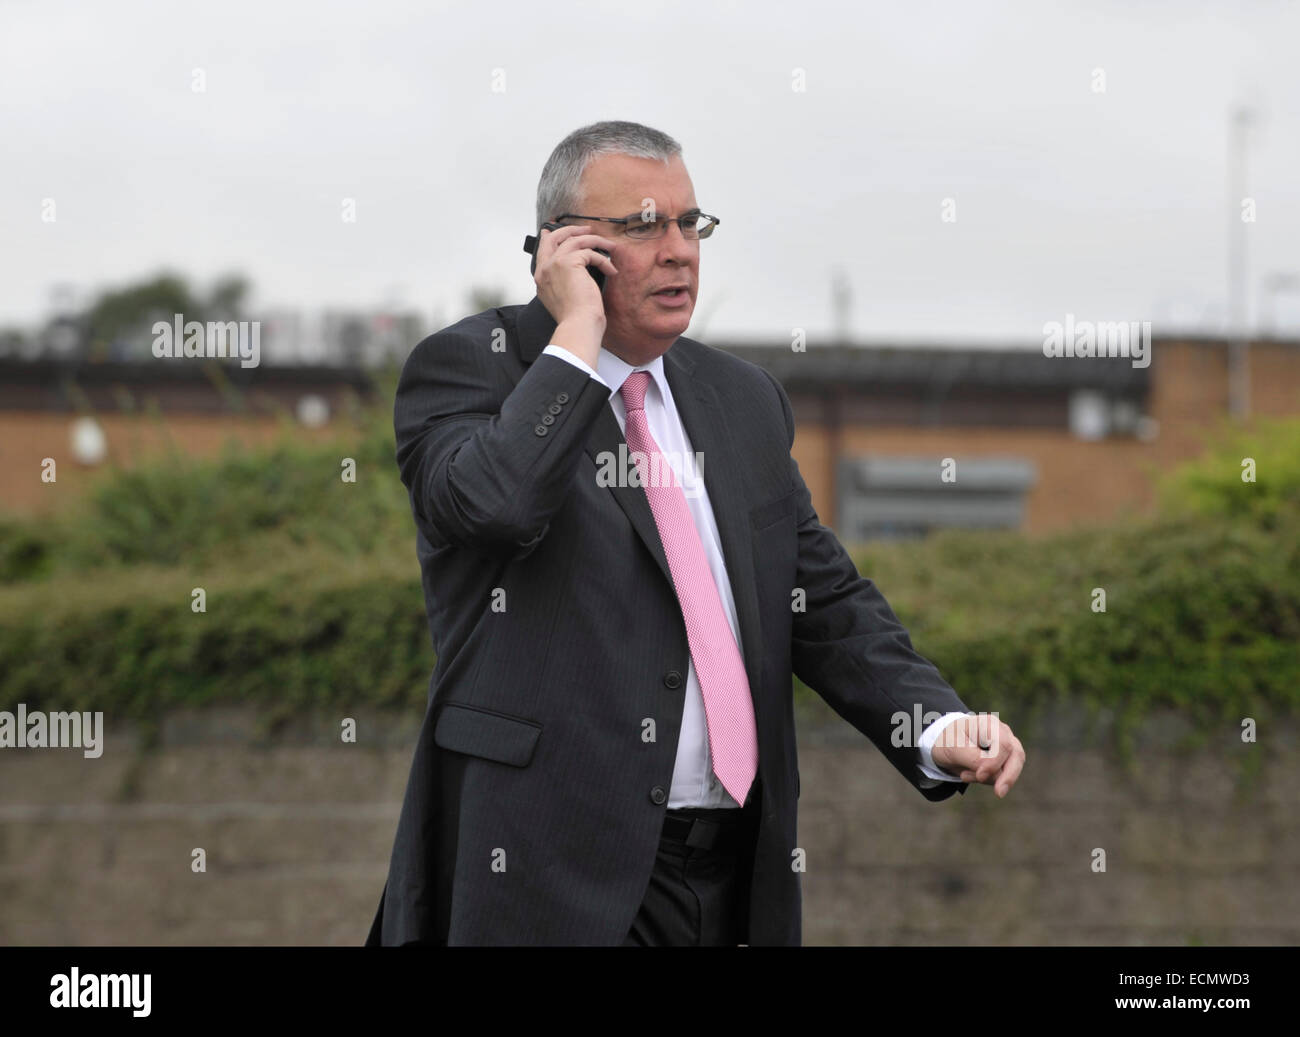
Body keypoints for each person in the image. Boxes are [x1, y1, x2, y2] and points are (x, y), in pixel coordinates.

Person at [365, 120, 1025, 947]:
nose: (679, 250)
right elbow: (498, 505)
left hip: (729, 876)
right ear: (565, 248)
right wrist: (575, 341)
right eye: (643, 225)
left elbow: (821, 597)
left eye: (690, 222)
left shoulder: (741, 399)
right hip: (545, 875)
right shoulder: (472, 368)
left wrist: (932, 723)